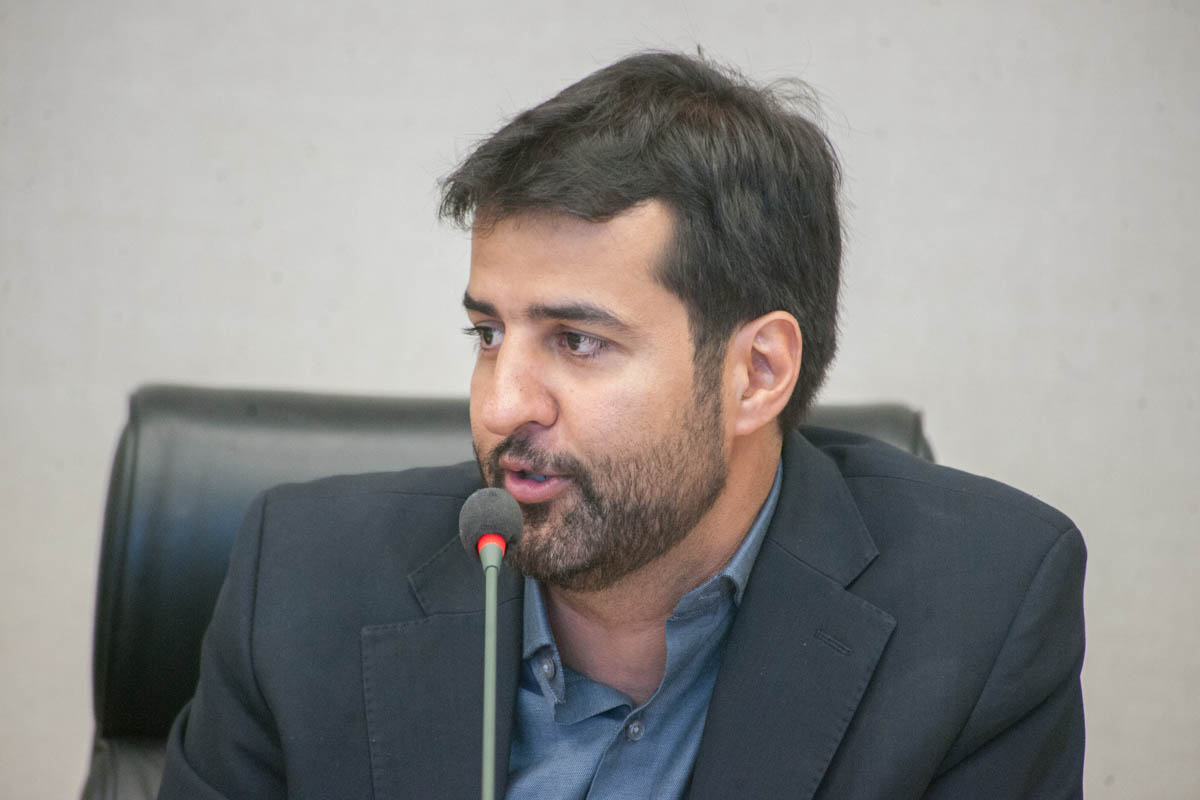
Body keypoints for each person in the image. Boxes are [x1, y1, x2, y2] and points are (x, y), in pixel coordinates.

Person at [158, 51, 1086, 799]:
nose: (501, 405)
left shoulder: (979, 616)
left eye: (577, 341)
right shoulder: (301, 582)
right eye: (488, 334)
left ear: (757, 373)